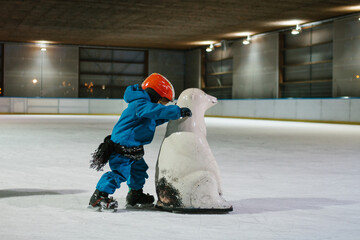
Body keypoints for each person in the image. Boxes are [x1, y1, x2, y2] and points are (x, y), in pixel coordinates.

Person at [88, 73, 192, 211]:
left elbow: (155, 118)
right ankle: (99, 196)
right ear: (155, 95)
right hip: (122, 148)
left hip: (133, 148)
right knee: (120, 173)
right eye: (163, 101)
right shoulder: (140, 104)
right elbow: (154, 111)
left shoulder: (146, 107)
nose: (164, 104)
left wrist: (172, 117)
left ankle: (135, 195)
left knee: (139, 170)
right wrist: (176, 111)